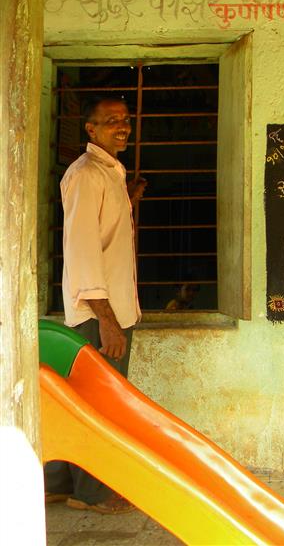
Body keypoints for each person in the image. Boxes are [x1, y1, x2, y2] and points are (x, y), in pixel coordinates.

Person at [44, 96, 146, 514]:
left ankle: (56, 483)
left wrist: (129, 199)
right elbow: (83, 251)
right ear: (91, 129)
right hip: (98, 314)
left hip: (107, 309)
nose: (122, 127)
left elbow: (104, 233)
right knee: (100, 405)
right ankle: (92, 494)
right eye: (111, 121)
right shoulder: (87, 174)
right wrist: (107, 320)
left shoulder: (109, 173)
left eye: (125, 120)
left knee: (78, 398)